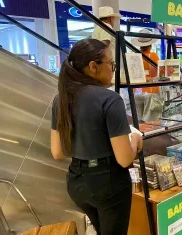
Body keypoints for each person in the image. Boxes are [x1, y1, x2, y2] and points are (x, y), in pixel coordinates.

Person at [50, 39, 143, 234]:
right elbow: (125, 159)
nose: (113, 70)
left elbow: (57, 152)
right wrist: (135, 139)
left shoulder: (61, 99)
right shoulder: (110, 100)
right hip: (108, 184)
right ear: (93, 67)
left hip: (76, 182)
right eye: (112, 64)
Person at [131, 29, 163, 122]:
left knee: (139, 120)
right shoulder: (153, 56)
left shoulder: (134, 57)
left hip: (137, 92)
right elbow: (158, 73)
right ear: (150, 44)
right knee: (151, 121)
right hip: (151, 92)